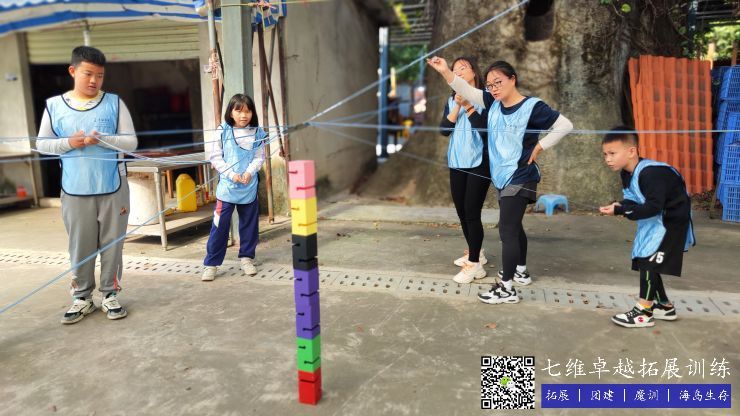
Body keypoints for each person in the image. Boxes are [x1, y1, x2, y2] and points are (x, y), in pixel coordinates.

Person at [427, 57, 573, 304]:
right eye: (491, 84)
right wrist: (444, 71)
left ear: (512, 79)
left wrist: (540, 146)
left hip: (521, 175)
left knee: (506, 230)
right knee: (513, 226)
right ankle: (521, 272)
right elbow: (464, 90)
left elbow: (565, 125)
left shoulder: (532, 107)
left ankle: (506, 288)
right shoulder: (492, 103)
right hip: (501, 177)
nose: (494, 88)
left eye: (499, 82)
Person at [36, 46, 137, 324]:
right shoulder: (54, 106)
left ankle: (110, 294)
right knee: (80, 245)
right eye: (88, 74)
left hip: (113, 186)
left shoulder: (114, 103)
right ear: (73, 71)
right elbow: (42, 144)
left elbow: (131, 142)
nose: (94, 81)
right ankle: (82, 297)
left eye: (100, 75)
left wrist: (104, 139)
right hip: (74, 188)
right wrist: (70, 142)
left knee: (112, 244)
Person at [599, 126, 695, 328]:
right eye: (605, 154)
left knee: (648, 262)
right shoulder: (627, 173)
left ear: (631, 151)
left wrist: (621, 211)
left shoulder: (652, 173)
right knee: (645, 259)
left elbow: (653, 207)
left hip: (670, 222)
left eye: (612, 153)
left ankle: (643, 311)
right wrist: (619, 206)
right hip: (655, 221)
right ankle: (664, 306)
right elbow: (633, 200)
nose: (608, 159)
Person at [201, 94, 266, 281]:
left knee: (249, 225)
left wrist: (249, 173)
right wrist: (231, 174)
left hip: (248, 186)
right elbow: (215, 157)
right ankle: (211, 264)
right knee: (219, 226)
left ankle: (247, 258)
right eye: (239, 111)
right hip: (227, 188)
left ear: (252, 113)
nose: (243, 115)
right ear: (230, 112)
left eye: (248, 111)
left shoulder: (257, 132)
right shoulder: (222, 131)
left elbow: (259, 157)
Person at [438, 56, 491, 284]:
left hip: (480, 163)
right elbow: (444, 130)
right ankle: (476, 253)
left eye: (463, 68)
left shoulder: (485, 97)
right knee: (461, 211)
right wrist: (458, 105)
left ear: (474, 72)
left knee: (471, 212)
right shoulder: (452, 100)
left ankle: (475, 265)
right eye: (455, 69)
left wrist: (469, 105)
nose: (458, 71)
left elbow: (486, 130)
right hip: (456, 162)